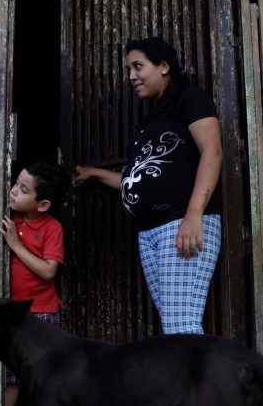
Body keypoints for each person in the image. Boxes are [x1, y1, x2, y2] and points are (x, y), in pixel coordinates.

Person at [74, 36, 223, 335]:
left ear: (164, 66)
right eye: (129, 69)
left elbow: (213, 151)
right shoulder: (154, 116)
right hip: (152, 232)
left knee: (182, 327)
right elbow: (137, 179)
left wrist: (194, 215)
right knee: (175, 326)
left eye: (138, 66)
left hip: (182, 222)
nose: (131, 76)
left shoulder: (189, 98)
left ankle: (201, 383)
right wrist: (95, 174)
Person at [0, 161, 71, 406]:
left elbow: (49, 271)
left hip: (42, 313)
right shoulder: (8, 217)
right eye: (17, 183)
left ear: (42, 205)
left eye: (24, 189)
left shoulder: (52, 228)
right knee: (10, 378)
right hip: (13, 314)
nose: (14, 191)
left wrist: (16, 246)